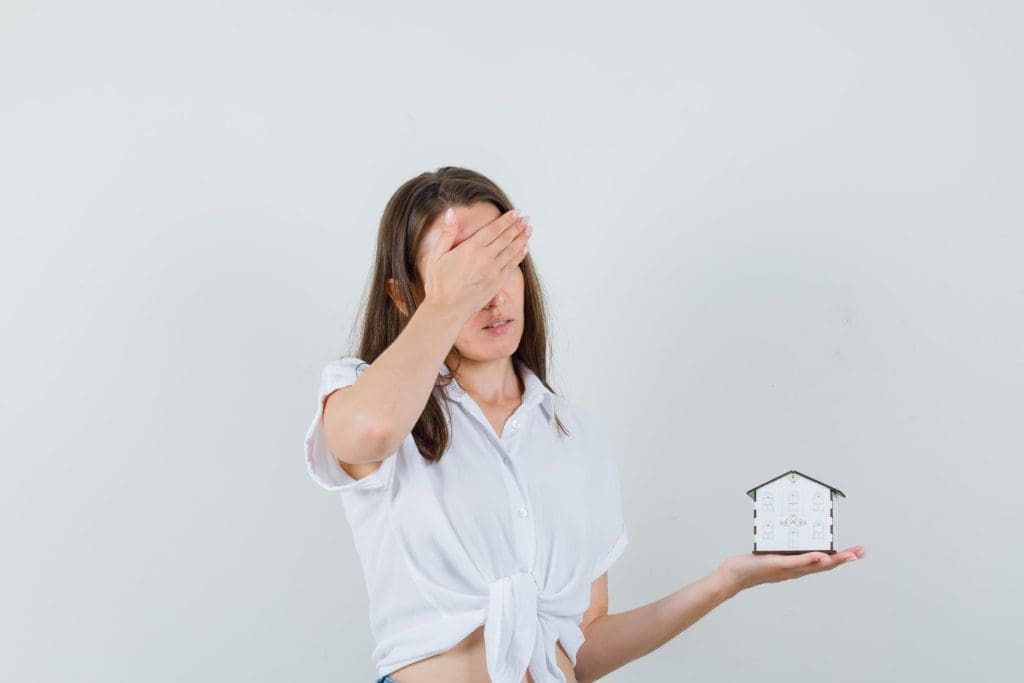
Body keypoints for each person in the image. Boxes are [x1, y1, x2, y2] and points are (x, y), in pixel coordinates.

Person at [303, 166, 866, 683]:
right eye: (462, 273)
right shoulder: (363, 396)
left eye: (503, 265)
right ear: (405, 297)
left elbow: (584, 644)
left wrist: (726, 581)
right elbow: (373, 430)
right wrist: (448, 302)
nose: (492, 295)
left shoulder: (574, 436)